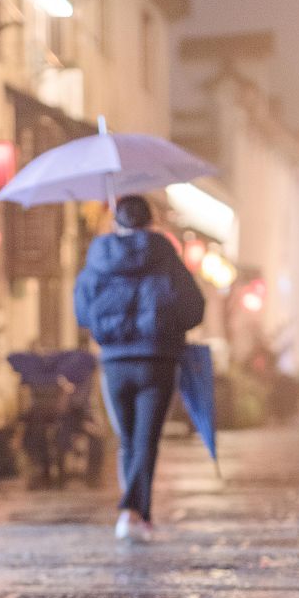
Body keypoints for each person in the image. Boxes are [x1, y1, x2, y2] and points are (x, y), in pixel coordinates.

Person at [74, 195, 205, 541]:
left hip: (114, 362)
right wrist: (167, 325)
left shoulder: (98, 256)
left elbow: (83, 311)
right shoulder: (165, 254)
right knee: (146, 440)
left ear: (115, 222)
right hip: (156, 360)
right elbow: (194, 308)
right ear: (151, 222)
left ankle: (135, 515)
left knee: (128, 440)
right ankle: (134, 513)